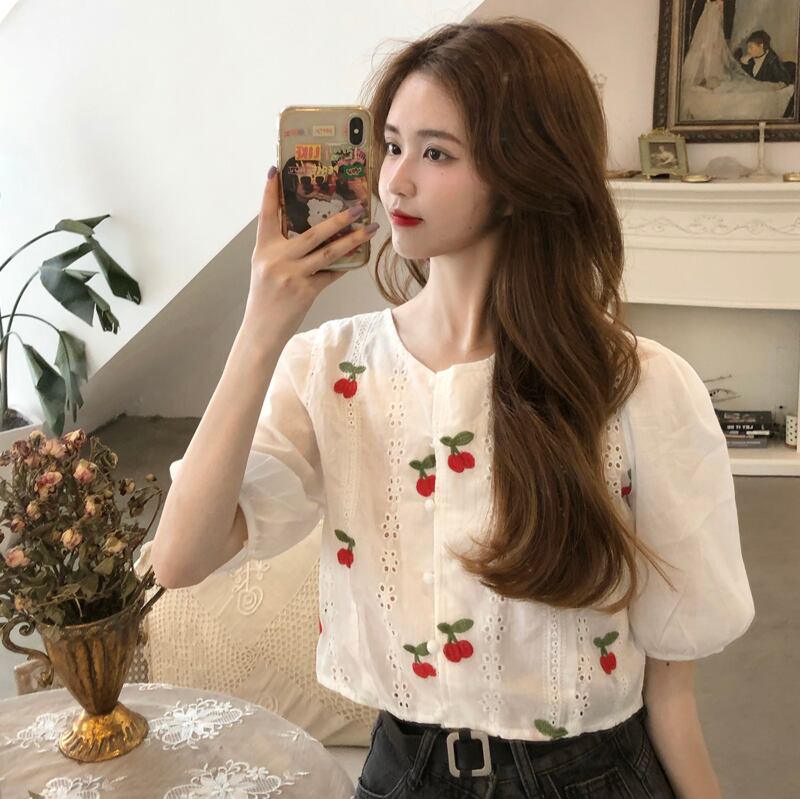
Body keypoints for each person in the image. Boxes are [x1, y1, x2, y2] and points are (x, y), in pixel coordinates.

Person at [151, 17, 755, 799]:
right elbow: (181, 557)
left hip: (590, 774)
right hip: (404, 772)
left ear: (524, 172)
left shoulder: (637, 385)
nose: (395, 182)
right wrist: (263, 325)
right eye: (391, 145)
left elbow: (672, 693)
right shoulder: (332, 368)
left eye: (436, 153)